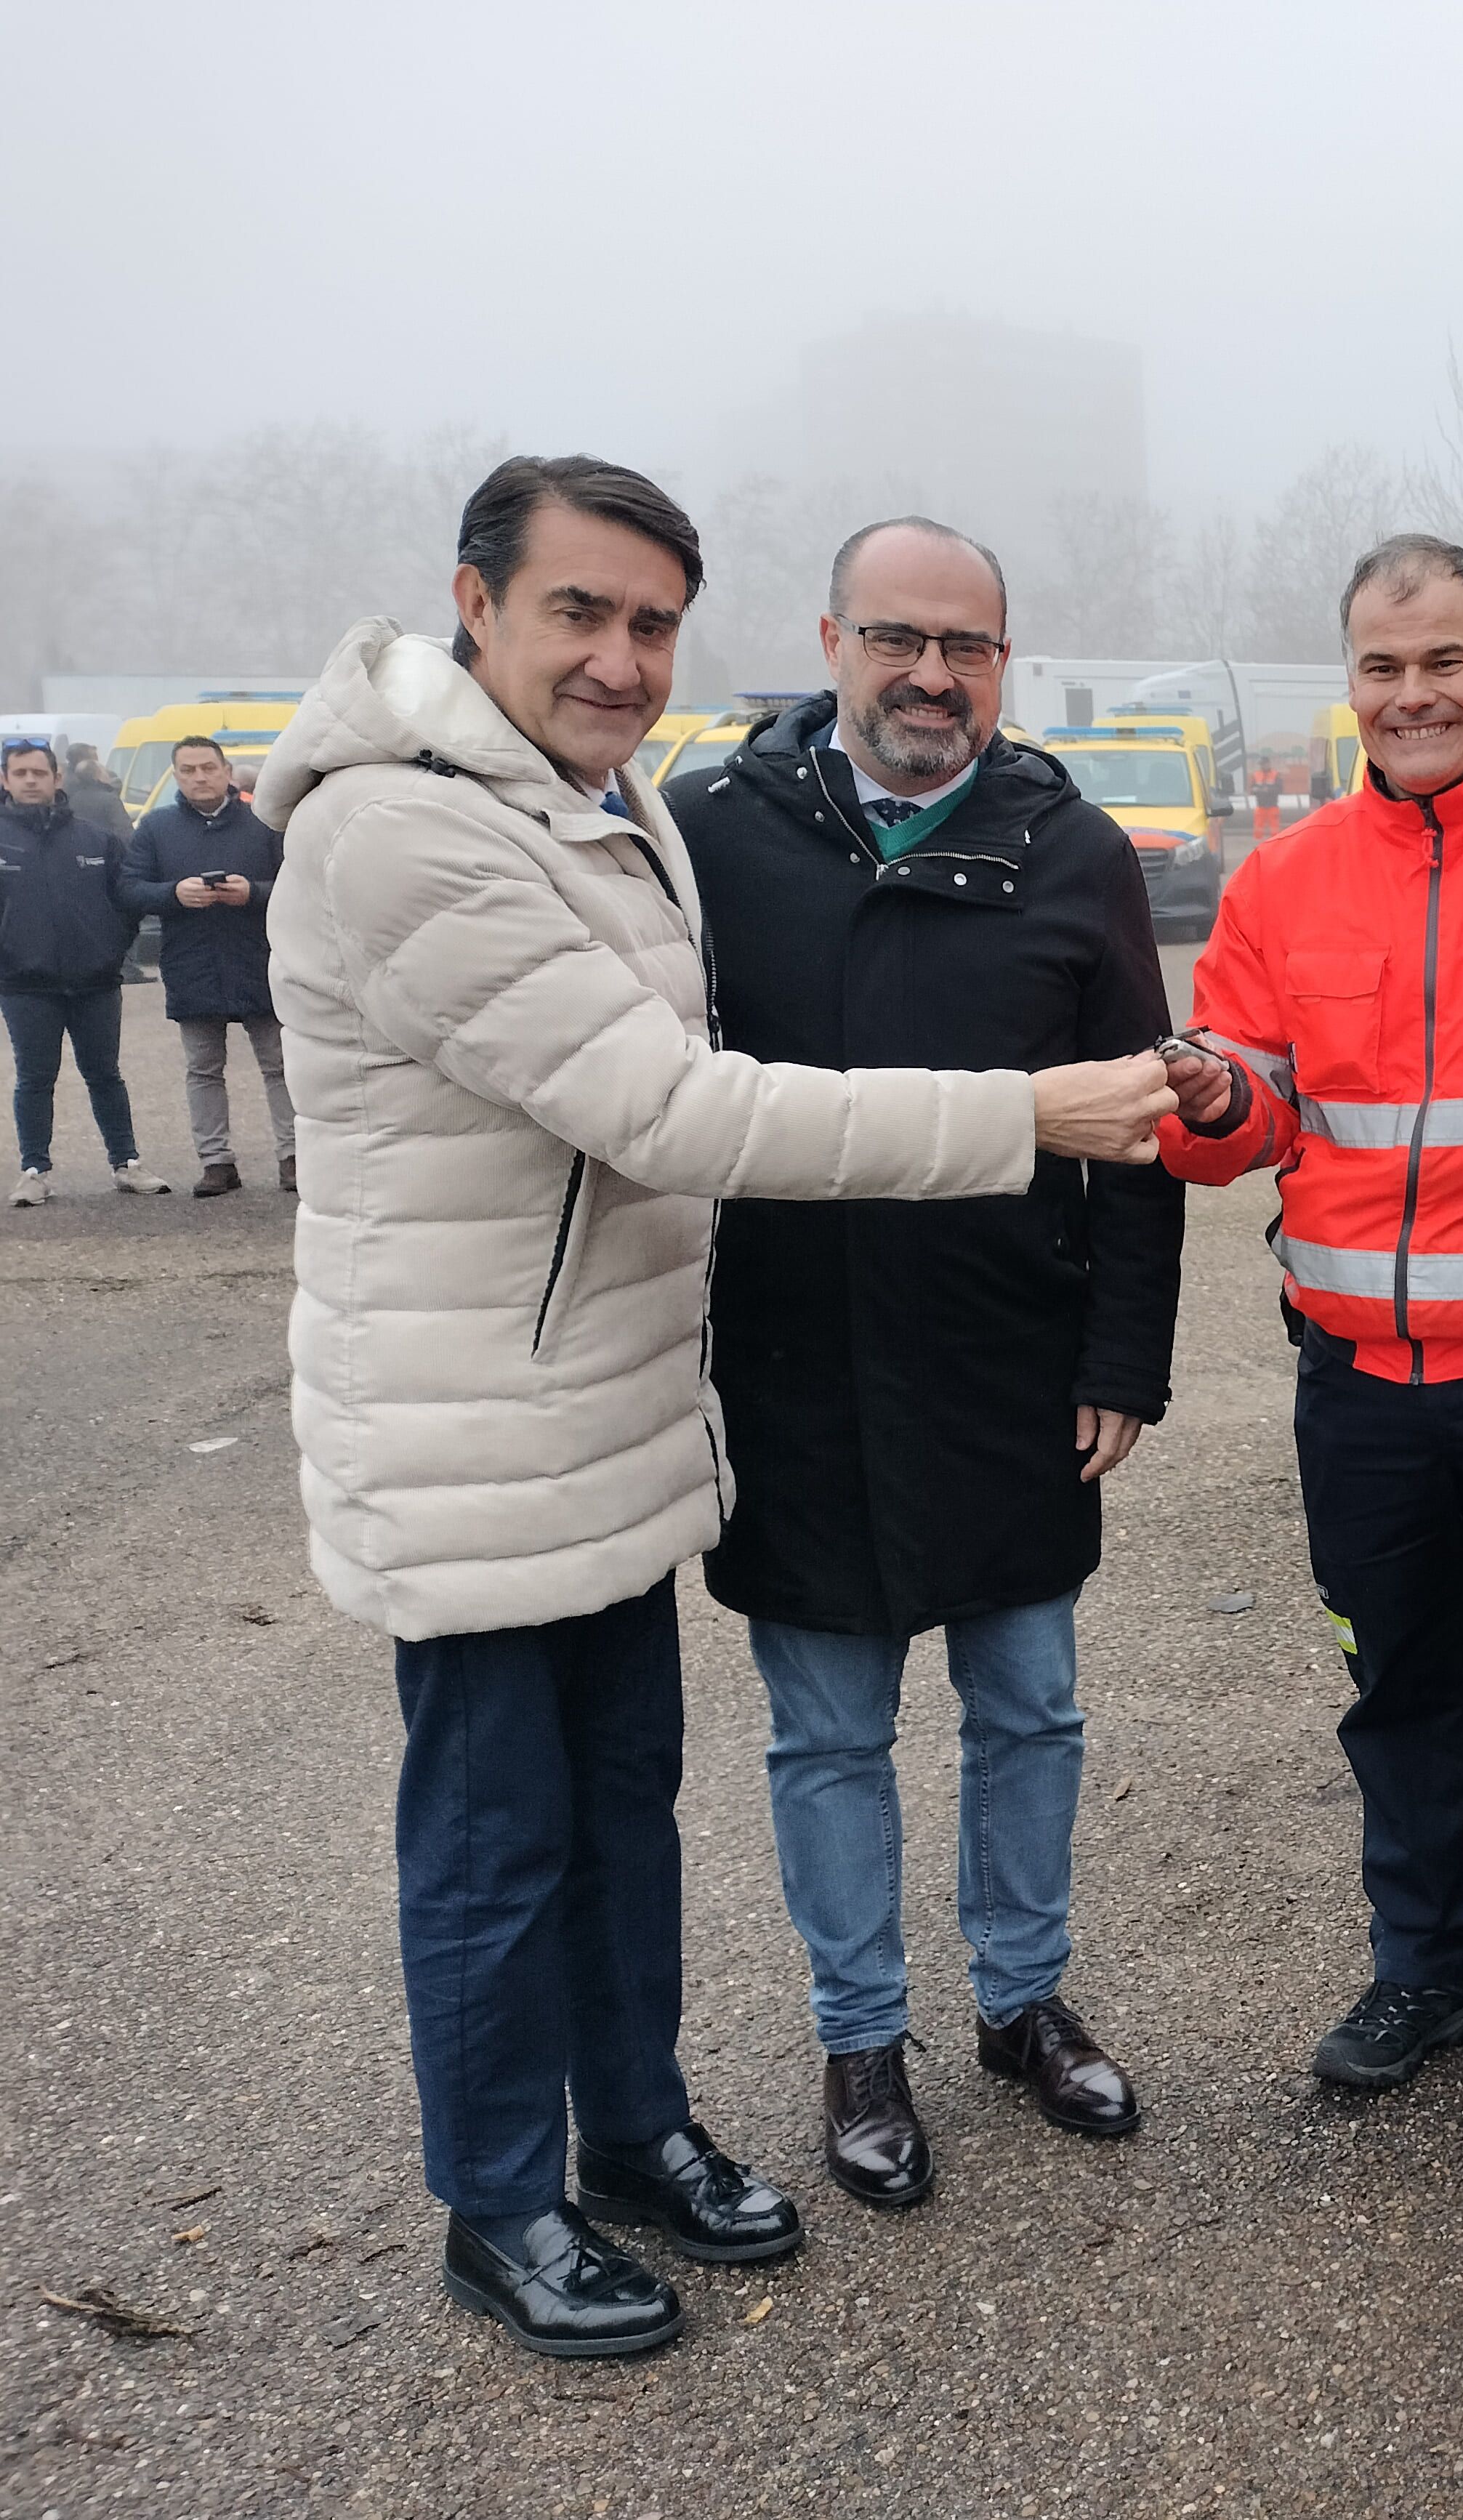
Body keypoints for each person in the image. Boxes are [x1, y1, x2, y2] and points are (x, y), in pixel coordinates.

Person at [259, 454, 1179, 2363]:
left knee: (626, 1810)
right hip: (500, 1429)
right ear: (475, 600)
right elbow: (685, 1110)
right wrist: (1028, 1112)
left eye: (649, 621)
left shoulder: (611, 817)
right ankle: (509, 2202)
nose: (615, 655)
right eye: (577, 612)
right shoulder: (438, 832)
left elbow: (1147, 1145)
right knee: (502, 1842)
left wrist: (1119, 1348)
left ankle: (640, 2129)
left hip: (625, 1419)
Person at [670, 517, 1180, 2209]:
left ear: (1003, 665)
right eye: (897, 638)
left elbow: (1139, 1122)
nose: (930, 676)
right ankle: (859, 2039)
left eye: (965, 647)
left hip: (1006, 1360)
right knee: (826, 1733)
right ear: (827, 640)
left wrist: (1125, 1348)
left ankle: (1021, 2004)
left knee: (1028, 1707)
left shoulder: (1073, 847)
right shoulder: (711, 839)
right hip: (793, 1366)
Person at [1153, 535, 1463, 2122]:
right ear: (1348, 684)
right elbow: (1238, 1110)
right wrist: (1220, 1102)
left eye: (1443, 661)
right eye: (1381, 666)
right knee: (1396, 1687)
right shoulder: (1281, 881)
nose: (1412, 693)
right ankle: (1425, 1964)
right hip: (1356, 1384)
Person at [116, 733, 294, 1196]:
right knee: (203, 1070)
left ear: (227, 772)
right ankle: (217, 1163)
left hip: (260, 961)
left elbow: (299, 884)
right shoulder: (155, 829)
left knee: (280, 1066)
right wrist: (172, 894)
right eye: (189, 770)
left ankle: (294, 1156)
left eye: (208, 768)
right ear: (176, 776)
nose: (200, 777)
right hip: (192, 963)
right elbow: (128, 890)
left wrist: (252, 892)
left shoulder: (265, 824)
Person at [0, 735, 165, 1203]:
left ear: (56, 778)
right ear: (5, 779)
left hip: (94, 982)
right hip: (25, 985)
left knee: (105, 1075)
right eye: (20, 773)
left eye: (39, 773)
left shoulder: (95, 839)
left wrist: (111, 951)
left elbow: (127, 901)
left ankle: (126, 1162)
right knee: (35, 1078)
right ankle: (34, 1170)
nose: (31, 781)